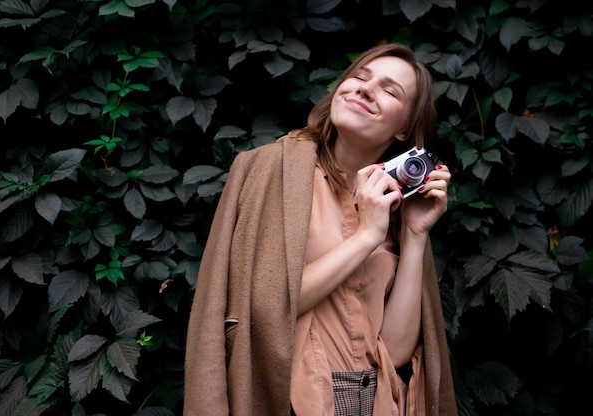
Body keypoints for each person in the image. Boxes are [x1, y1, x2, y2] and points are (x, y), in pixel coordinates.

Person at [183, 43, 457, 415]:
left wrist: (414, 234)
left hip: (375, 403)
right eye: (359, 77)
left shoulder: (396, 204)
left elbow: (395, 351)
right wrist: (366, 237)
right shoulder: (271, 172)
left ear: (406, 127)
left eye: (390, 90)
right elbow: (265, 308)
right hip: (293, 400)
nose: (364, 88)